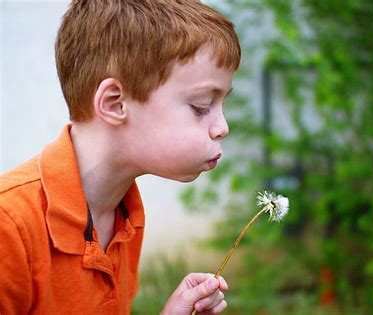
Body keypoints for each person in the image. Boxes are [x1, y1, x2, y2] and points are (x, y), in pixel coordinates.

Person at [0, 0, 240, 314]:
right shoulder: (9, 227)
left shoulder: (123, 216)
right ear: (115, 104)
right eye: (201, 106)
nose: (222, 127)